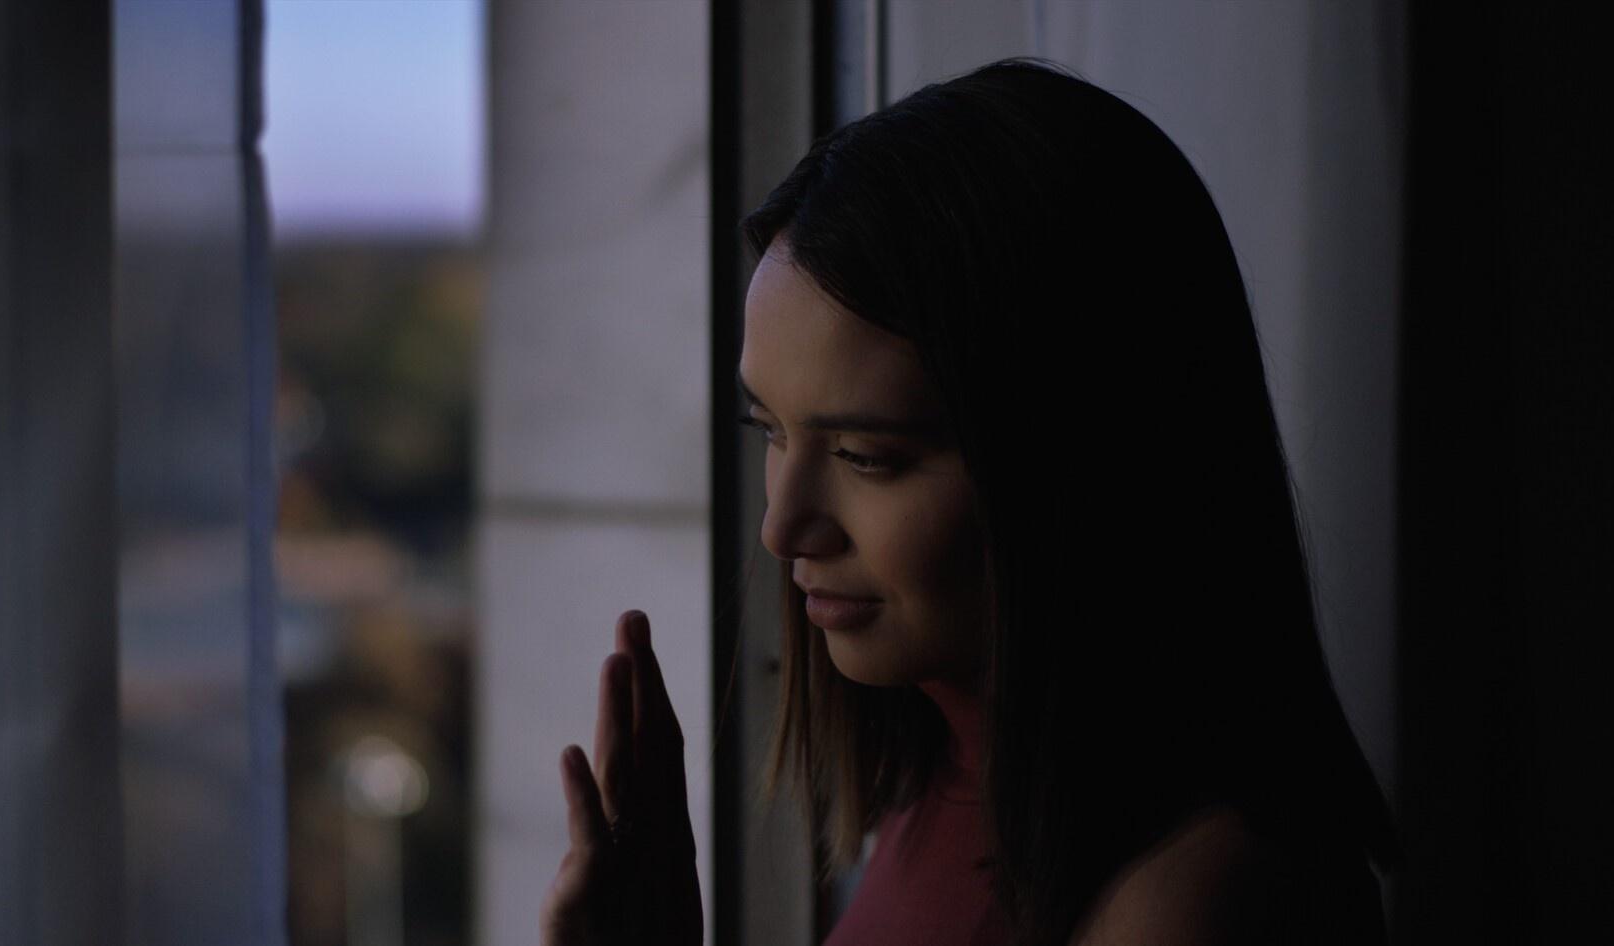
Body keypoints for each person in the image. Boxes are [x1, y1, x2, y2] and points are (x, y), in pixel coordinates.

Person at [540, 57, 1400, 946]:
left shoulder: (1189, 904)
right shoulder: (948, 784)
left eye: (867, 456)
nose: (779, 526)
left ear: (1075, 462)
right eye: (770, 431)